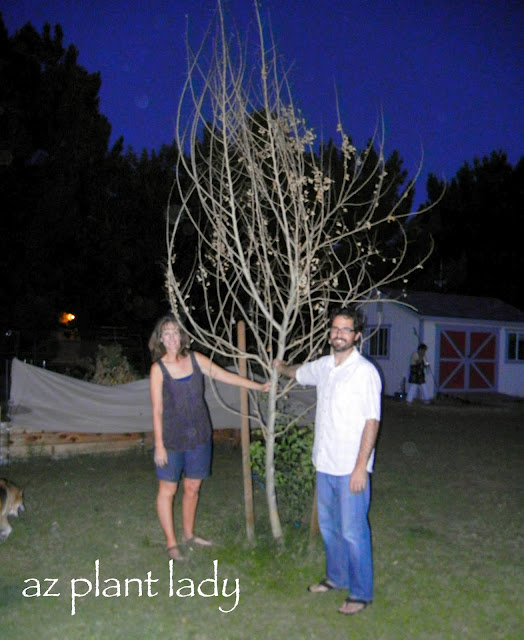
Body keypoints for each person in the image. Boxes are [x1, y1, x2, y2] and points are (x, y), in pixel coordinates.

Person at [273, 306, 381, 615]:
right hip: (325, 464)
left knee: (353, 531)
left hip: (351, 469)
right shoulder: (324, 366)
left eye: (346, 330)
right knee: (330, 529)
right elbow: (299, 372)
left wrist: (361, 467)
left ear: (356, 336)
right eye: (335, 328)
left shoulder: (365, 373)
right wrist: (281, 367)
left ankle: (361, 593)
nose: (339, 334)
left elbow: (372, 422)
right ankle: (336, 577)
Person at [149, 314, 270, 561]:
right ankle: (171, 543)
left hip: (200, 434)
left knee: (193, 487)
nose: (171, 337)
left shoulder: (195, 360)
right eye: (166, 333)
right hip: (171, 438)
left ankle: (189, 535)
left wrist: (256, 385)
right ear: (160, 338)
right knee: (168, 490)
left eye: (175, 332)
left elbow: (224, 375)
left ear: (181, 336)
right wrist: (159, 445)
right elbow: (157, 409)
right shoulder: (158, 369)